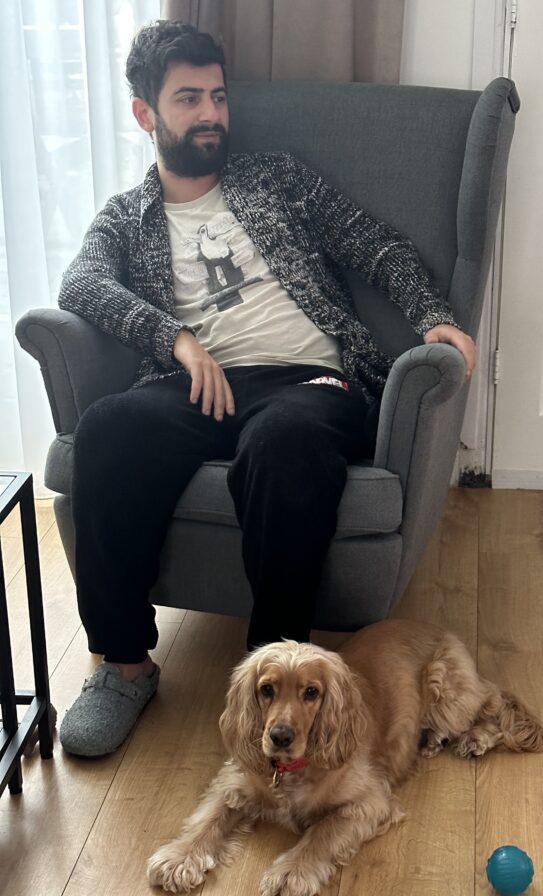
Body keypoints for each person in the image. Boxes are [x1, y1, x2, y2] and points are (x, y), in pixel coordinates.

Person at [56, 20, 475, 758]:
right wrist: (177, 340)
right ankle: (122, 666)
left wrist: (432, 316)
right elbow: (81, 283)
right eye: (188, 99)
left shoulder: (275, 177)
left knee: (284, 445)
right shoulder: (126, 216)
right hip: (192, 383)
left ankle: (275, 681)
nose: (210, 113)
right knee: (107, 430)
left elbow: (376, 244)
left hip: (306, 380)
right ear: (145, 113)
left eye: (217, 96)